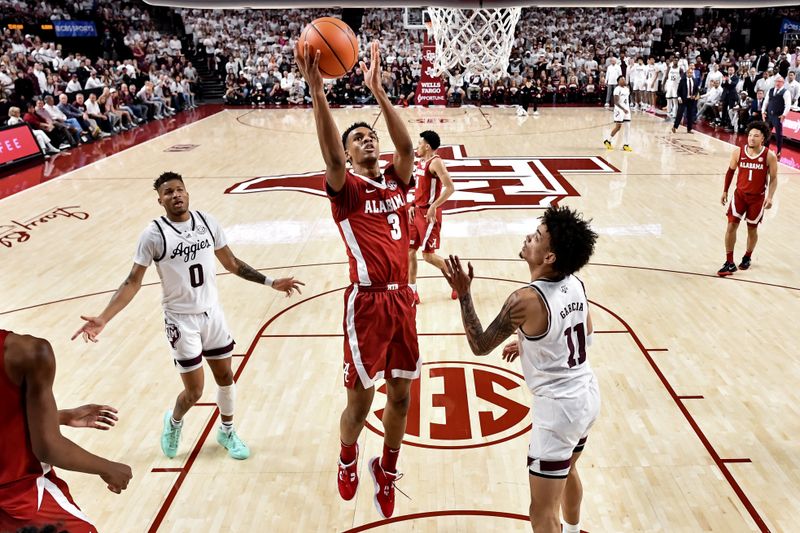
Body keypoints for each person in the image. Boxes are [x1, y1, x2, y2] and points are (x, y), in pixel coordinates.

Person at [72, 172, 304, 460]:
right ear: (160, 200)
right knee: (194, 392)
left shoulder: (207, 222)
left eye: (179, 190)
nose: (175, 195)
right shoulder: (154, 234)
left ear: (188, 193)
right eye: (168, 192)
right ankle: (174, 422)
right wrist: (105, 317)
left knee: (226, 378)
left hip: (212, 315)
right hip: (181, 321)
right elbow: (133, 281)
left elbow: (231, 263)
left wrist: (270, 282)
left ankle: (227, 431)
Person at [295, 41, 419, 519]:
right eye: (359, 138)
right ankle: (348, 456)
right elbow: (328, 157)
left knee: (402, 396)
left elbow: (406, 147)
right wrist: (316, 91)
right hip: (366, 304)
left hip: (403, 300)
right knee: (362, 402)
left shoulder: (396, 179)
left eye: (371, 135)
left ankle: (386, 469)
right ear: (347, 155)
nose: (369, 140)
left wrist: (379, 93)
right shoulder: (346, 190)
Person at [442, 206, 600, 533]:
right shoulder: (576, 284)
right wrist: (530, 343)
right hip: (586, 395)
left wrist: (465, 293)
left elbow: (480, 345)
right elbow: (583, 331)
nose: (529, 237)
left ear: (550, 257)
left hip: (557, 412)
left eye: (538, 237)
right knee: (568, 469)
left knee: (541, 512)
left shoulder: (524, 301)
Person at [0, 330, 132, 532]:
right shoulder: (27, 352)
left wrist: (55, 417)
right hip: (20, 497)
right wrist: (107, 468)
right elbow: (48, 448)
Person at [718, 121, 778, 276]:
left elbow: (773, 179)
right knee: (731, 225)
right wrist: (725, 191)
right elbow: (730, 171)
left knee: (752, 229)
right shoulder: (738, 152)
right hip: (739, 195)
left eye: (756, 136)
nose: (751, 138)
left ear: (763, 139)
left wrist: (770, 197)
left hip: (757, 199)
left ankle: (747, 256)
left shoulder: (769, 156)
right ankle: (729, 262)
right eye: (750, 135)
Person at [408, 130, 456, 304]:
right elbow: (420, 189)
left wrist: (434, 206)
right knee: (409, 252)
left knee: (428, 255)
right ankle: (412, 291)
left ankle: (457, 280)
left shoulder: (436, 163)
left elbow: (450, 187)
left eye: (419, 143)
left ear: (427, 146)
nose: (417, 146)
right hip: (417, 212)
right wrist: (413, 204)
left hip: (429, 215)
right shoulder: (421, 162)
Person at [762, 75, 792, 159]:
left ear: (783, 83)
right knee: (766, 132)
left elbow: (788, 104)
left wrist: (784, 115)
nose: (777, 83)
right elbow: (765, 101)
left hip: (778, 116)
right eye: (776, 81)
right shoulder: (771, 90)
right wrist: (763, 111)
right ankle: (765, 149)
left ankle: (778, 151)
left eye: (779, 82)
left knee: (778, 135)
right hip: (769, 115)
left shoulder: (786, 92)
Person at [603, 76, 632, 152]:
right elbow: (616, 102)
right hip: (619, 110)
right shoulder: (617, 89)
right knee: (618, 127)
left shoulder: (627, 89)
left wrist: (627, 109)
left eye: (624, 79)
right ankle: (608, 141)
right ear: (618, 81)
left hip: (627, 110)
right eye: (622, 79)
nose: (624, 80)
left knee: (627, 127)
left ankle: (626, 144)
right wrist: (623, 109)